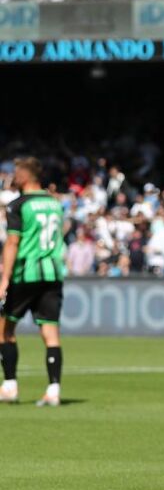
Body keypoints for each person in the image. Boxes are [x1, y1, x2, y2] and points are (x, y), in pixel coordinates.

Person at [0, 157, 66, 407]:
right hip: (53, 273)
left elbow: (13, 242)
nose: (14, 177)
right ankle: (53, 390)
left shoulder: (18, 205)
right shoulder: (55, 203)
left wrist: (4, 279)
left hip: (26, 273)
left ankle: (9, 386)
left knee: (5, 329)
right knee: (50, 333)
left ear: (25, 176)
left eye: (16, 173)